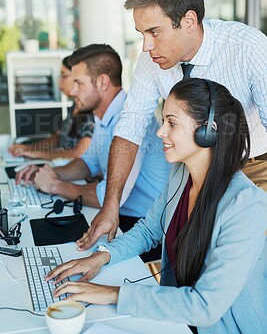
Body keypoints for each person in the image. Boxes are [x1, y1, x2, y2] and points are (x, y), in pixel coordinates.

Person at [45, 78, 267, 334]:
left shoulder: (247, 205)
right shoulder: (180, 174)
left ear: (209, 131)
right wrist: (101, 256)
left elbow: (205, 307)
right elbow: (150, 230)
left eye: (171, 123)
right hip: (174, 317)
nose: (161, 131)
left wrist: (110, 294)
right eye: (163, 121)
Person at [79, 0, 267, 250]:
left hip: (253, 169)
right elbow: (130, 128)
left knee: (245, 260)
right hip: (192, 169)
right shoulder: (150, 62)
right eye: (141, 33)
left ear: (189, 21)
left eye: (154, 32)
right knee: (188, 256)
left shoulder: (248, 47)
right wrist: (110, 206)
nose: (145, 46)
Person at [16, 43, 171, 262]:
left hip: (146, 228)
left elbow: (106, 198)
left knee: (59, 257)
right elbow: (88, 163)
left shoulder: (132, 119)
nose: (73, 91)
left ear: (102, 82)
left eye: (78, 83)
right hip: (126, 216)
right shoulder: (103, 115)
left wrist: (55, 186)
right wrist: (51, 172)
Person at [8, 56, 94, 161]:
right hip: (63, 166)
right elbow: (57, 138)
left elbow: (79, 153)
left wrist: (37, 153)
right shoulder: (74, 107)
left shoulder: (92, 111)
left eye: (64, 76)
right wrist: (29, 149)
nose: (59, 82)